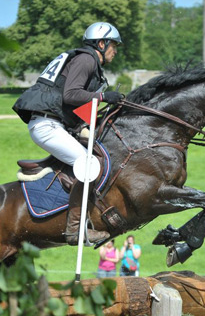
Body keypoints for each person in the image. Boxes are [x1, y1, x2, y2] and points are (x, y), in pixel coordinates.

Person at [12, 22, 124, 245]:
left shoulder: (86, 60)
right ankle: (74, 230)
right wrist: (103, 97)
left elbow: (74, 104)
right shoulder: (87, 59)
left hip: (55, 124)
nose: (115, 50)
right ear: (101, 43)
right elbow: (71, 94)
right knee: (89, 164)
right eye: (113, 45)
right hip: (47, 126)